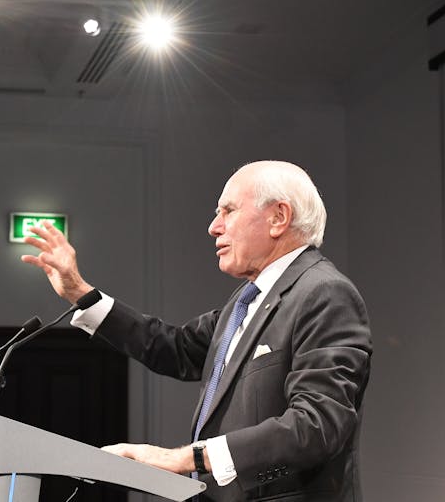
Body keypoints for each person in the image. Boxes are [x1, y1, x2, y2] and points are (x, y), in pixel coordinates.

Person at [22, 160, 373, 501]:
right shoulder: (246, 301)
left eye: (228, 211)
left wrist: (186, 458)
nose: (214, 226)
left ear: (278, 218)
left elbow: (317, 425)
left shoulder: (324, 293)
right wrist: (80, 294)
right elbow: (174, 348)